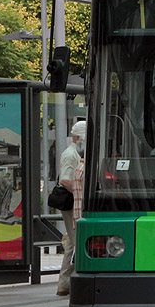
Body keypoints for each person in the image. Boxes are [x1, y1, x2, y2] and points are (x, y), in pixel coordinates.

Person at [56, 120, 86, 297]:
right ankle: (65, 282)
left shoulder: (76, 152)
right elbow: (65, 180)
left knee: (71, 242)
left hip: (75, 202)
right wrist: (80, 193)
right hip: (73, 204)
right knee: (74, 242)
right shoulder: (71, 154)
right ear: (78, 137)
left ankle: (65, 283)